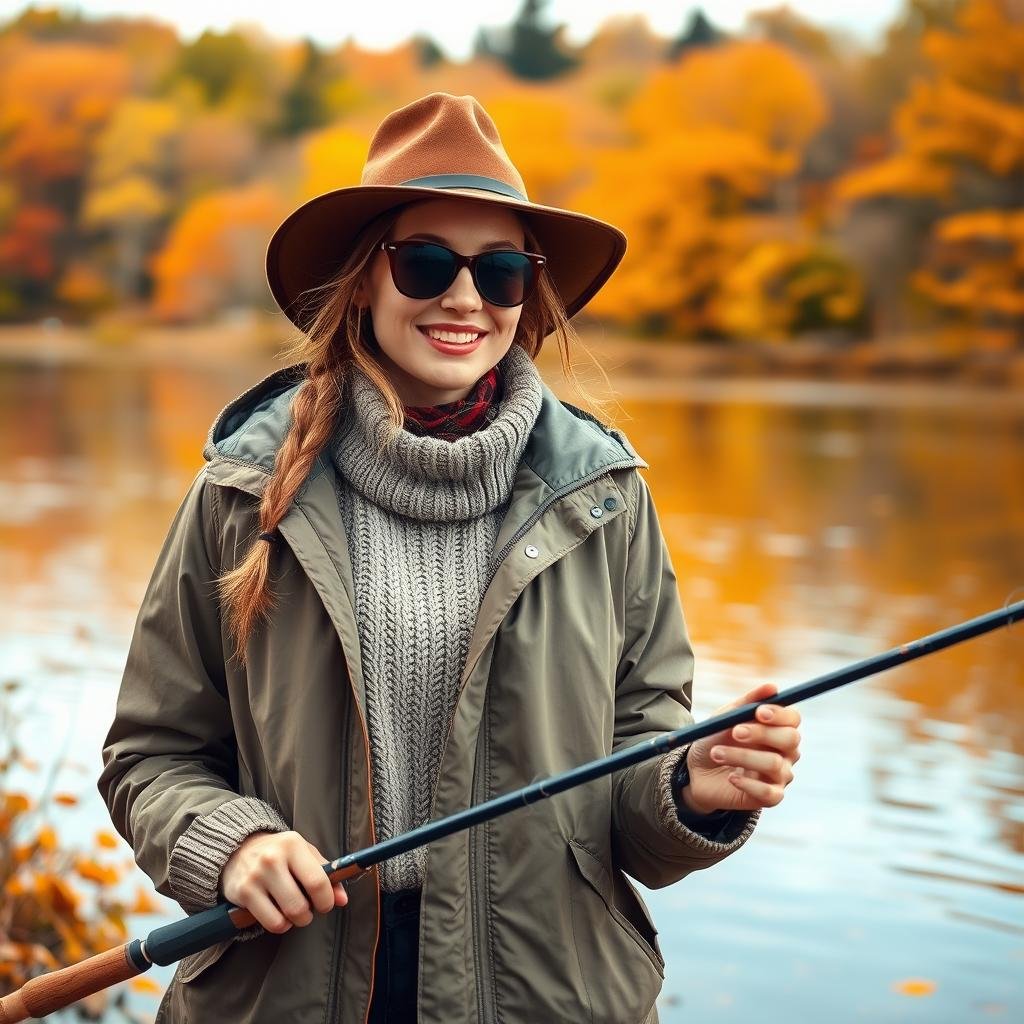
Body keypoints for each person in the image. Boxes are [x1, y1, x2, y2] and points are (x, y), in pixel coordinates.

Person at [98, 93, 801, 1024]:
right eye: (426, 262)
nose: (464, 298)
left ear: (527, 293)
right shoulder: (240, 491)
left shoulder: (608, 499)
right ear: (364, 282)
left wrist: (688, 786)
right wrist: (230, 844)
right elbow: (152, 755)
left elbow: (635, 785)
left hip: (546, 995)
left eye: (501, 270)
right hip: (284, 993)